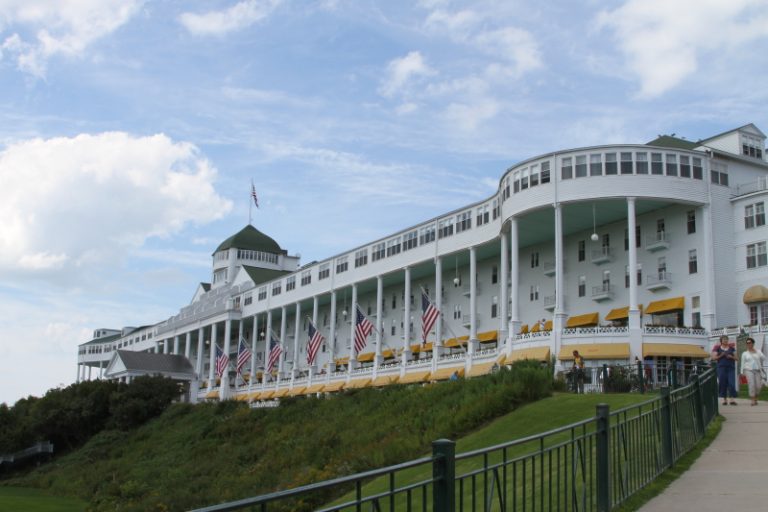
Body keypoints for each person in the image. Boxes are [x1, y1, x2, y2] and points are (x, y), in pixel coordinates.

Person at [712, 335, 738, 405]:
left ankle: (732, 399)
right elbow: (714, 358)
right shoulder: (718, 349)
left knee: (731, 383)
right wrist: (721, 355)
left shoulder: (732, 348)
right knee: (723, 383)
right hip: (721, 368)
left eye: (726, 339)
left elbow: (737, 358)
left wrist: (731, 356)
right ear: (721, 341)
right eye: (724, 339)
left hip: (730, 368)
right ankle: (725, 399)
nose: (725, 340)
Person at [740, 337, 765, 406]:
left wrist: (758, 352)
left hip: (757, 370)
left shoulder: (758, 351)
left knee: (758, 386)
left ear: (753, 343)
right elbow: (742, 363)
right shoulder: (744, 353)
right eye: (747, 343)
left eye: (750, 343)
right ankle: (753, 400)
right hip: (748, 370)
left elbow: (764, 358)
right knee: (751, 384)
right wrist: (742, 372)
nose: (748, 344)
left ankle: (756, 397)